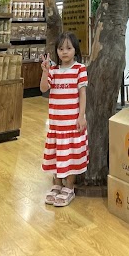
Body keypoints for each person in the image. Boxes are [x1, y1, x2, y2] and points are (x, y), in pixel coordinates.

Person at [40, 32, 88, 207]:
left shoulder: (80, 69)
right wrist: (45, 71)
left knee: (71, 155)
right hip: (56, 123)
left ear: (75, 50)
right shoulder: (53, 71)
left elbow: (82, 94)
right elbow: (43, 88)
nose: (64, 52)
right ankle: (57, 184)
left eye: (68, 48)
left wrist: (81, 116)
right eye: (61, 49)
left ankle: (69, 187)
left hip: (72, 123)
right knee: (56, 154)